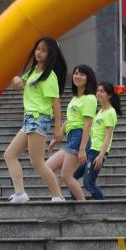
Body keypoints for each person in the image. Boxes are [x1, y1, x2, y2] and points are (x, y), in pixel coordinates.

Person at [3, 37, 67, 203]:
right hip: (29, 119)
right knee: (10, 155)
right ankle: (20, 193)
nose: (39, 53)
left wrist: (58, 127)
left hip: (39, 118)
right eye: (38, 49)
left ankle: (58, 195)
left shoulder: (49, 76)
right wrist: (16, 80)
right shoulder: (33, 71)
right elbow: (19, 85)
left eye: (44, 50)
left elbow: (56, 102)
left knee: (37, 162)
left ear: (51, 54)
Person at [44, 65, 97, 200]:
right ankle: (58, 195)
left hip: (79, 137)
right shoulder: (75, 98)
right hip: (72, 137)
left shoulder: (89, 98)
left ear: (88, 78)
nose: (77, 76)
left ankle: (83, 205)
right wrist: (57, 137)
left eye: (82, 74)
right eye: (76, 73)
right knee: (46, 167)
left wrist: (82, 149)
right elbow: (70, 120)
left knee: (66, 175)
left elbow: (87, 124)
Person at [74, 82, 121, 201]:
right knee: (72, 177)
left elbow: (108, 136)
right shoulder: (100, 111)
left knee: (88, 183)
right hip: (89, 149)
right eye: (98, 91)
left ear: (109, 95)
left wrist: (101, 155)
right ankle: (77, 203)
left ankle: (103, 206)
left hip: (97, 152)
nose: (98, 93)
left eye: (102, 91)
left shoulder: (111, 112)